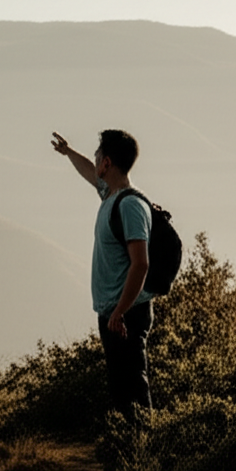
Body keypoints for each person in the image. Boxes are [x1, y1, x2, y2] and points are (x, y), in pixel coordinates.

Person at [51, 129, 153, 420]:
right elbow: (89, 173)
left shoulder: (130, 206)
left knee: (133, 388)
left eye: (97, 156)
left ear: (106, 163)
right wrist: (69, 152)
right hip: (114, 313)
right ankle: (130, 452)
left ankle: (143, 453)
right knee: (121, 389)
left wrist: (120, 312)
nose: (94, 160)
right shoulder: (109, 195)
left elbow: (140, 264)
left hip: (127, 313)